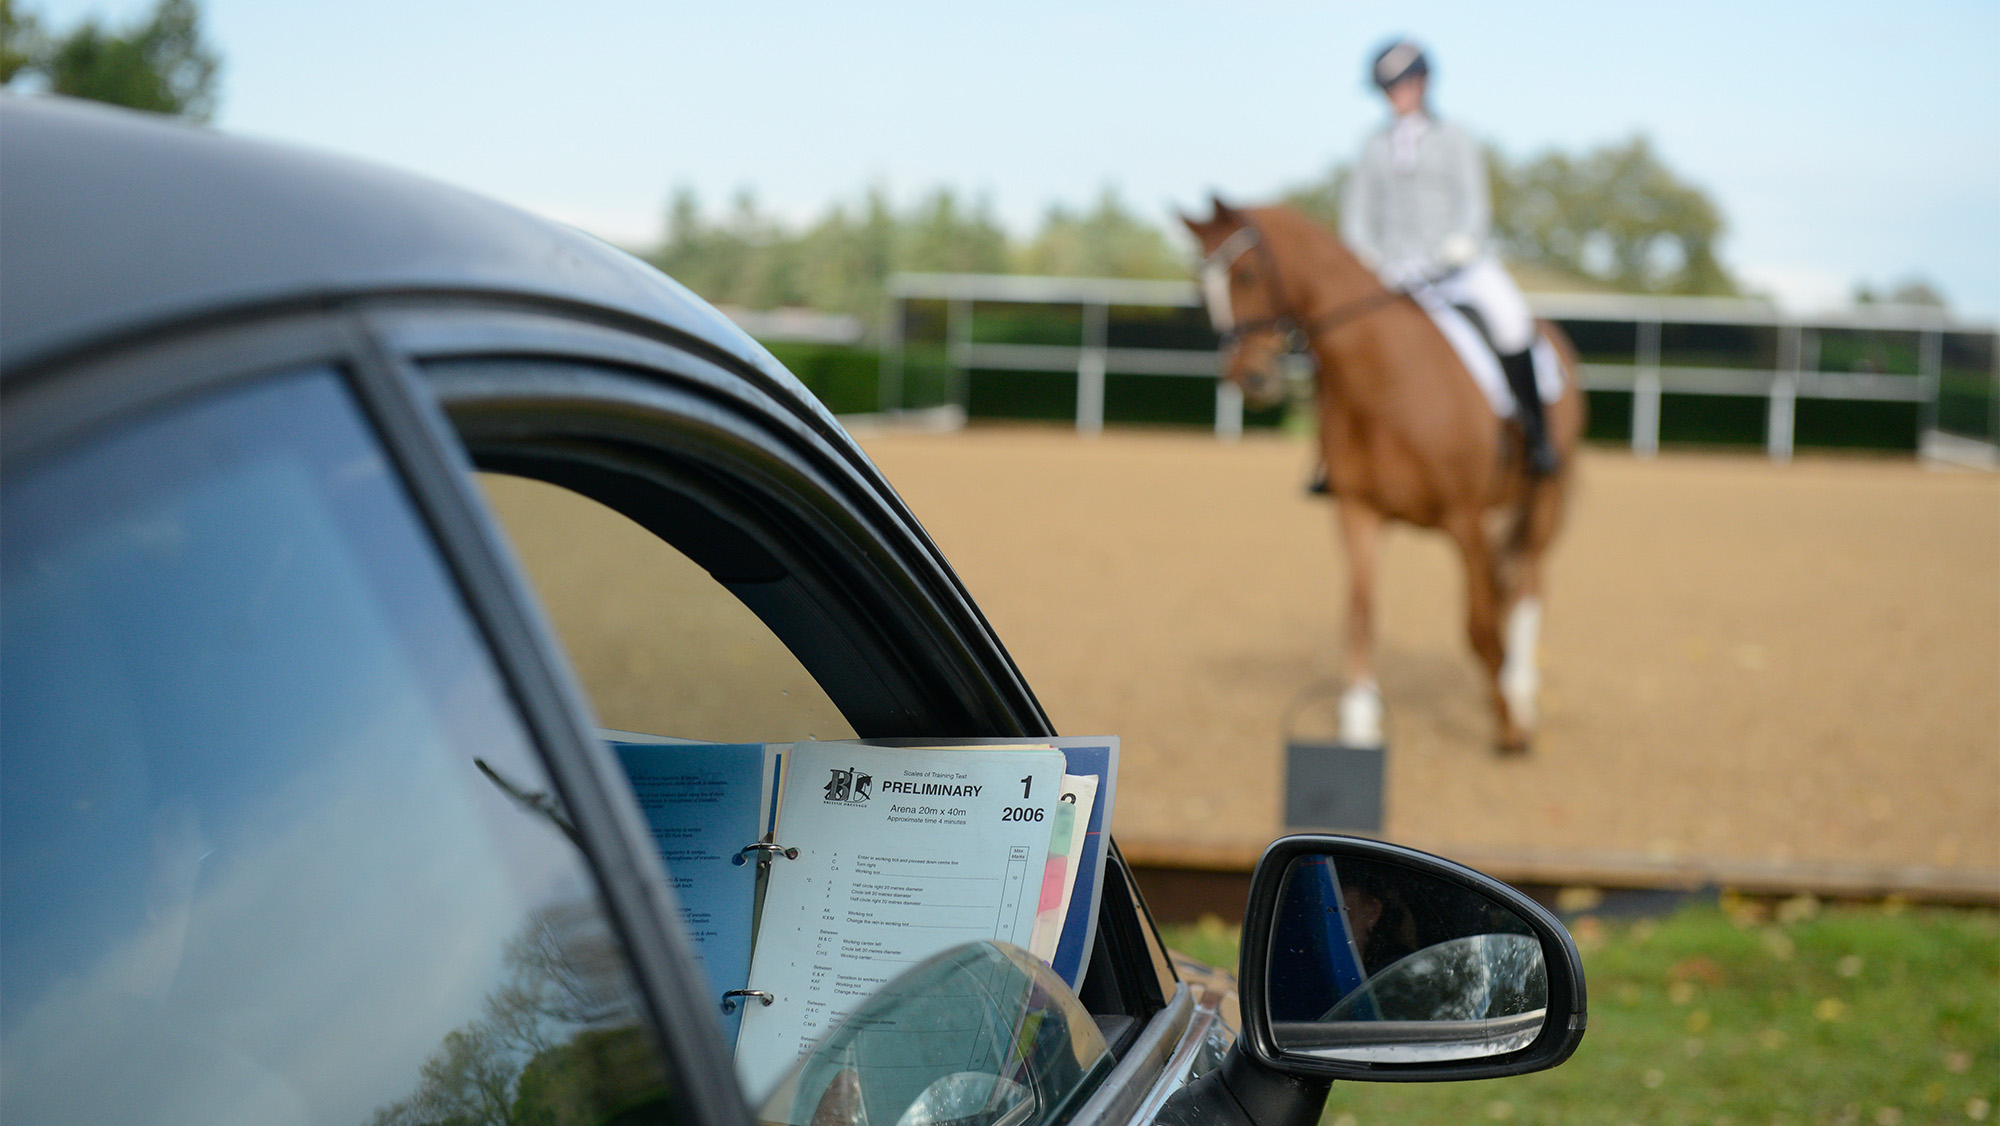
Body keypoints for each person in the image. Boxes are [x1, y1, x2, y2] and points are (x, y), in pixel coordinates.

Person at [1340, 39, 1560, 476]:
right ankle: (1337, 456)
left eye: (1400, 85)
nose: (1394, 96)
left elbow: (1474, 206)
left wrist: (1457, 247)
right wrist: (1367, 257)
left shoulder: (1456, 137)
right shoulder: (1372, 145)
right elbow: (1357, 213)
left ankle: (1537, 437)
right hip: (1392, 272)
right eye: (1386, 88)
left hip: (1458, 268)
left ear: (1422, 83)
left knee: (1512, 322)